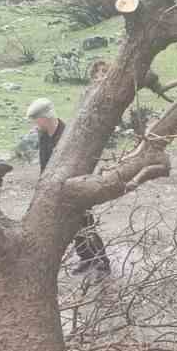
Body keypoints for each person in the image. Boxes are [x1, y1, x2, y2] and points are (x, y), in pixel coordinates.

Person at [25, 98, 111, 276]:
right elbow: (44, 164)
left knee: (86, 226)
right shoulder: (43, 135)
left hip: (76, 187)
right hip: (55, 190)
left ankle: (103, 263)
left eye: (36, 120)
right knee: (71, 228)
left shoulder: (68, 136)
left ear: (44, 118)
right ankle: (86, 258)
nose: (35, 124)